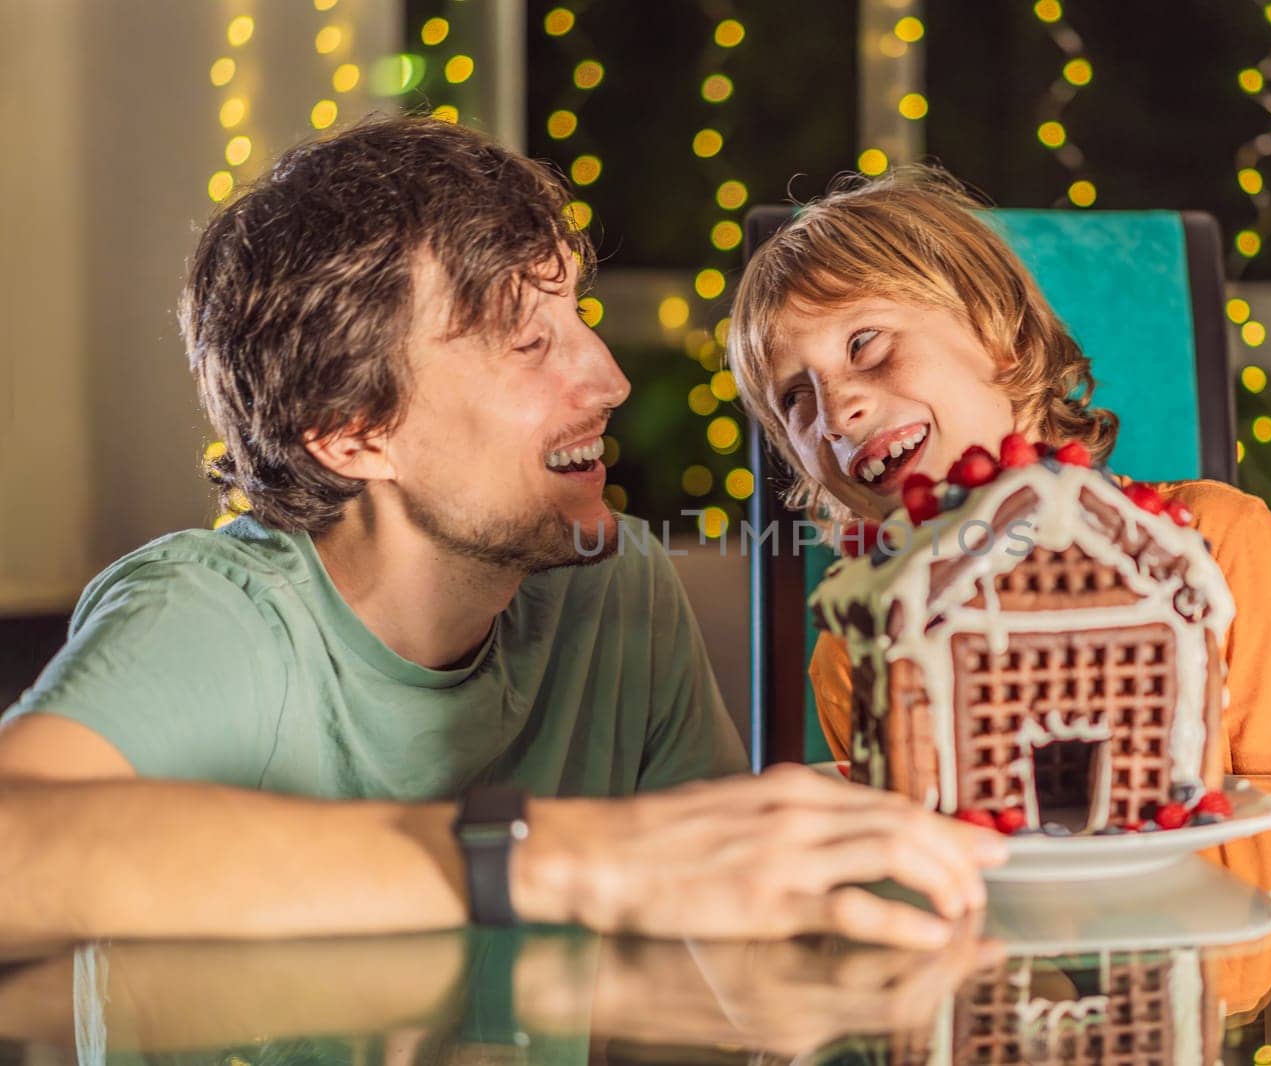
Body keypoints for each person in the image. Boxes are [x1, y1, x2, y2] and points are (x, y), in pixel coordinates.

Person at [0, 118, 1003, 947]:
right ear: (356, 433)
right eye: (529, 346)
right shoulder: (219, 616)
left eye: (577, 317)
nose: (608, 381)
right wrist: (547, 856)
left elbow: (717, 950)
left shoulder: (612, 589)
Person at [725, 165, 1271, 776]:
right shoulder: (857, 644)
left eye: (864, 344)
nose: (837, 414)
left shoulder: (1217, 543)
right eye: (796, 400)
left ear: (999, 337)